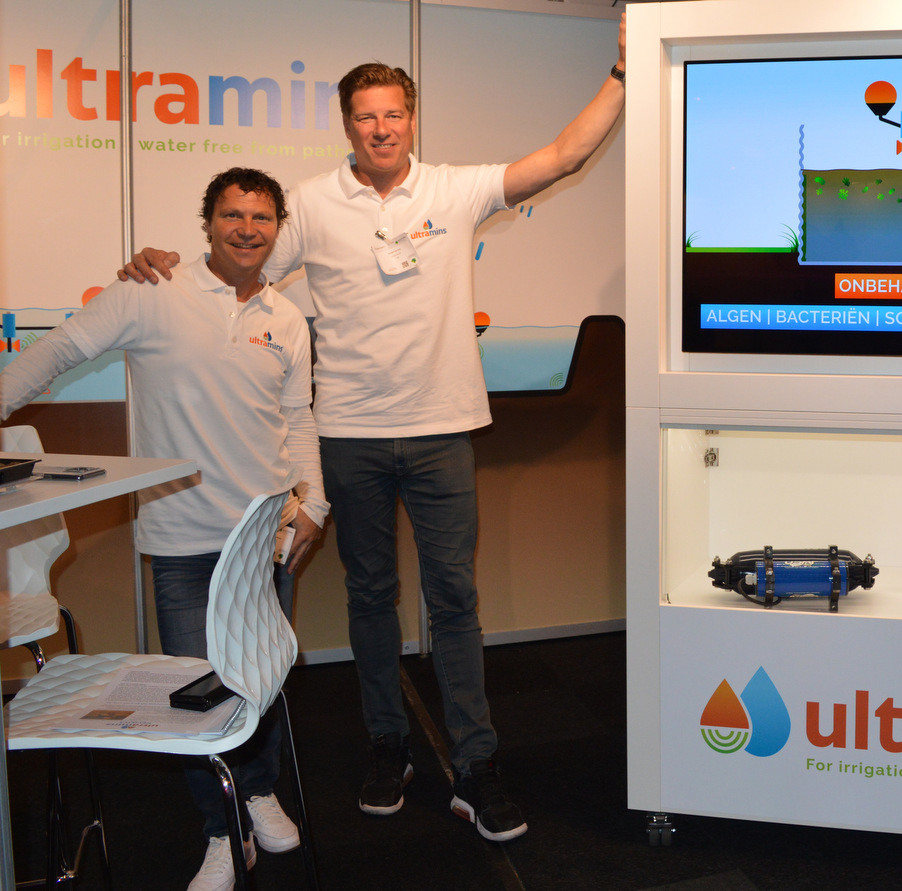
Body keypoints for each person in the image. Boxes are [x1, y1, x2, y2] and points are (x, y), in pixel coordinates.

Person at [121, 17, 626, 841]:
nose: (381, 128)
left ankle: (475, 765)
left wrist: (621, 72)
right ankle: (387, 744)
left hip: (442, 430)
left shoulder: (455, 191)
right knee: (369, 597)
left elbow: (564, 156)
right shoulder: (311, 206)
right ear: (347, 124)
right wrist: (158, 268)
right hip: (348, 433)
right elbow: (235, 263)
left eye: (393, 114)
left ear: (412, 119)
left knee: (454, 598)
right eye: (365, 116)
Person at [4, 167, 329, 891]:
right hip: (181, 538)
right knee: (195, 696)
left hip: (263, 538)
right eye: (232, 214)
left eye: (262, 217)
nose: (247, 228)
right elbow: (58, 350)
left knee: (260, 680)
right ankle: (220, 830)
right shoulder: (150, 291)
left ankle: (258, 792)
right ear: (207, 222)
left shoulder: (287, 318)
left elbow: (298, 417)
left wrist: (315, 504)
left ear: (278, 229)